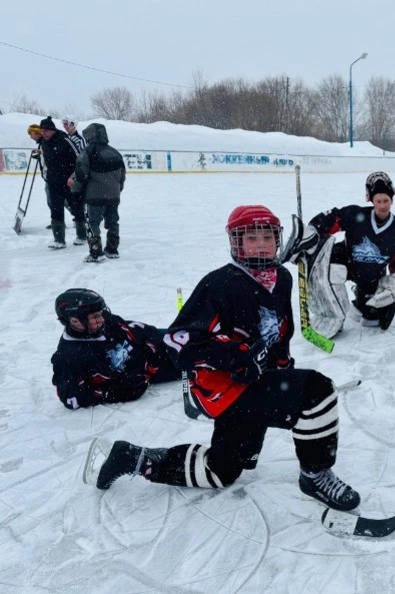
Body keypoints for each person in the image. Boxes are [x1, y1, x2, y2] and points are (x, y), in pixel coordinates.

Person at [83, 205, 361, 512]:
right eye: (252, 238)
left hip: (258, 385)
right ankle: (315, 474)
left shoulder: (281, 277)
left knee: (221, 471)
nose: (262, 244)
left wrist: (282, 366)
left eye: (268, 237)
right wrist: (235, 356)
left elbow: (281, 328)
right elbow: (177, 341)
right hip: (226, 388)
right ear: (236, 242)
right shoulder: (219, 283)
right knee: (317, 390)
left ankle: (133, 458)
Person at [288, 171, 395, 334]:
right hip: (346, 260)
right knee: (328, 265)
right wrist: (309, 235)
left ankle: (363, 299)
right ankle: (331, 314)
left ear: (392, 200)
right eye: (378, 201)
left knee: (371, 318)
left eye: (386, 201)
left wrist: (394, 289)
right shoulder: (356, 215)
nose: (382, 205)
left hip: (373, 275)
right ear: (371, 199)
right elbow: (330, 219)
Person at [51, 288, 181, 410]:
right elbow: (70, 398)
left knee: (194, 335)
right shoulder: (67, 357)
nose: (102, 319)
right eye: (94, 317)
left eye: (100, 313)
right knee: (196, 364)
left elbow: (136, 330)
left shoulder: (103, 321)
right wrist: (114, 392)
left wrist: (161, 344)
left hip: (150, 351)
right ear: (74, 321)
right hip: (147, 372)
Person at [69, 123, 126, 262]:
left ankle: (96, 252)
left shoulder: (87, 152)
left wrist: (75, 190)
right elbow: (122, 177)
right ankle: (112, 249)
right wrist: (116, 191)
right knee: (113, 221)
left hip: (94, 195)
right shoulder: (115, 153)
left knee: (92, 222)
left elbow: (81, 173)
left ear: (89, 135)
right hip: (113, 195)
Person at [38, 116, 86, 249]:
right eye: (42, 130)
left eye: (46, 130)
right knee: (55, 210)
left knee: (76, 208)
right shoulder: (44, 142)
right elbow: (47, 160)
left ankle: (82, 235)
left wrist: (73, 177)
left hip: (69, 182)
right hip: (53, 182)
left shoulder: (65, 140)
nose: (44, 133)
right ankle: (59, 240)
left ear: (52, 130)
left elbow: (80, 160)